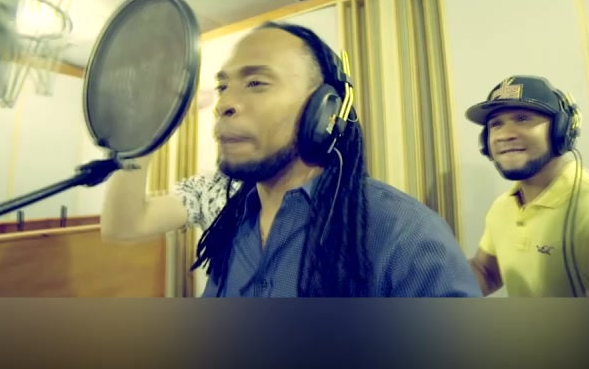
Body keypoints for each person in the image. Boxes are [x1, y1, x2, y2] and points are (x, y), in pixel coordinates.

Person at [102, 21, 481, 298]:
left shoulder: (406, 236)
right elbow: (124, 224)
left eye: (256, 83)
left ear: (324, 109)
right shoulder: (224, 209)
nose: (224, 104)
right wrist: (144, 126)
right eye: (223, 86)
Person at [464, 75, 589, 297]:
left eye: (523, 119)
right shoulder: (502, 207)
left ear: (561, 130)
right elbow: (486, 272)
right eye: (496, 124)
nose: (504, 135)